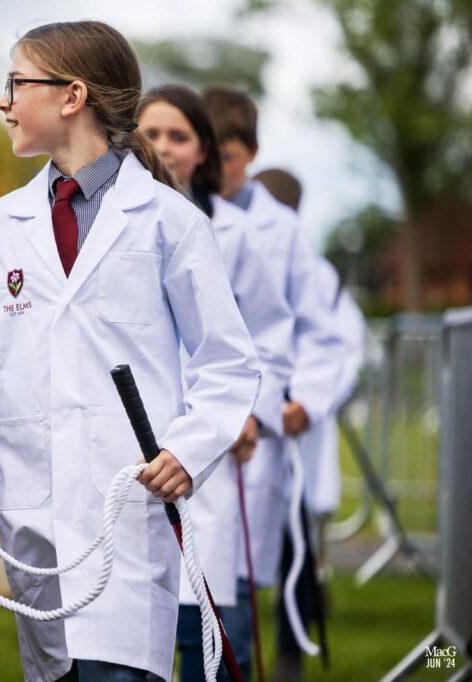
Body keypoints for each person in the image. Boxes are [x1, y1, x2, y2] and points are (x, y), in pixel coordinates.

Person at [0, 21, 261, 682]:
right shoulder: (0, 227)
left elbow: (228, 362)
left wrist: (189, 450)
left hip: (126, 514)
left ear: (72, 96)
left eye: (16, 84)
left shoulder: (167, 222)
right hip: (32, 518)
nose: (3, 102)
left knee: (116, 672)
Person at [138, 85, 295, 681]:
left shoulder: (235, 234)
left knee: (211, 642)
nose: (164, 147)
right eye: (151, 133)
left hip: (213, 459)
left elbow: (270, 338)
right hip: (133, 453)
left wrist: (250, 411)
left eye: (179, 136)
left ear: (204, 150)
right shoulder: (103, 228)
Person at [203, 87, 347, 681]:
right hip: (188, 433)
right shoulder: (176, 214)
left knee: (234, 600)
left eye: (228, 157)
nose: (217, 169)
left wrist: (302, 400)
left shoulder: (280, 231)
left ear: (251, 153)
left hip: (254, 437)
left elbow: (322, 331)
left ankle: (286, 660)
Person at [254, 168, 366, 681]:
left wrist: (309, 401)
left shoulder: (317, 275)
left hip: (297, 434)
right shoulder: (236, 258)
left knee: (295, 545)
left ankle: (290, 655)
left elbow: (346, 350)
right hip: (247, 430)